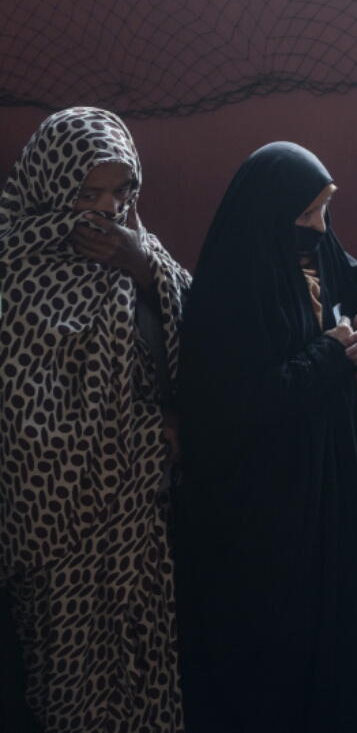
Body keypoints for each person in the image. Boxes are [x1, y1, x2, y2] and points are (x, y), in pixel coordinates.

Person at [172, 142, 357, 733]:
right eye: (308, 213)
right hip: (270, 504)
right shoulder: (230, 291)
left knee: (337, 629)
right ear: (270, 214)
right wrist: (333, 354)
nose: (320, 226)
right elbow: (244, 403)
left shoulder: (325, 256)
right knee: (278, 644)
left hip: (330, 487)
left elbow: (355, 310)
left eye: (326, 209)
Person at [0, 107, 191, 732]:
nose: (107, 209)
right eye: (88, 192)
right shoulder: (11, 264)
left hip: (137, 508)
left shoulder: (144, 255)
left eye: (122, 192)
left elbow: (204, 351)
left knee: (141, 649)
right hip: (48, 516)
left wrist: (143, 269)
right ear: (51, 184)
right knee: (60, 664)